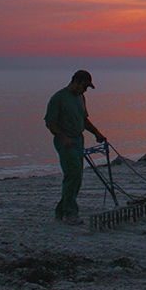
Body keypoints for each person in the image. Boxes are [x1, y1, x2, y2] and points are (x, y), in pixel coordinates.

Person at [44, 69, 106, 225]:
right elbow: (50, 122)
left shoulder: (80, 98)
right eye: (84, 86)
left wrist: (96, 133)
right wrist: (63, 137)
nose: (85, 90)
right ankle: (70, 213)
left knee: (77, 177)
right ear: (76, 82)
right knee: (73, 175)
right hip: (65, 142)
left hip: (78, 139)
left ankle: (61, 212)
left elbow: (83, 120)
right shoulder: (58, 98)